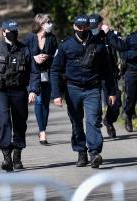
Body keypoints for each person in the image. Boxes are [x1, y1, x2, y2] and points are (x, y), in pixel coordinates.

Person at [50, 15, 116, 169]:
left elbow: (107, 70)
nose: (82, 30)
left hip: (93, 88)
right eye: (79, 27)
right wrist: (57, 94)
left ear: (88, 27)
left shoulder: (98, 45)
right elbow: (55, 70)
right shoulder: (66, 46)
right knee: (76, 123)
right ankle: (81, 151)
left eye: (85, 27)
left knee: (93, 120)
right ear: (74, 27)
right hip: (73, 89)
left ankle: (94, 153)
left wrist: (111, 91)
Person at [0, 20, 40, 172]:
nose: (14, 33)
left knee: (20, 123)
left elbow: (34, 72)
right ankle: (6, 156)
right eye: (11, 31)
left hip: (19, 91)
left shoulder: (24, 49)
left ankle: (17, 153)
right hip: (0, 91)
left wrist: (33, 90)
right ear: (3, 32)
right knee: (4, 121)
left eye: (16, 30)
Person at [23, 14, 58, 145]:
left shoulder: (52, 39)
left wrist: (47, 57)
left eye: (50, 21)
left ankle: (43, 128)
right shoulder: (29, 39)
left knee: (45, 104)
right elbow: (23, 56)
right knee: (38, 102)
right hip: (34, 76)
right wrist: (34, 58)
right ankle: (42, 131)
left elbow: (57, 56)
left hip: (47, 75)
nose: (50, 24)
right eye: (47, 22)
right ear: (41, 24)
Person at [89, 13, 122, 138]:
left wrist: (108, 34)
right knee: (95, 105)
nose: (94, 28)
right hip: (94, 76)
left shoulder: (110, 35)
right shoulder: (86, 36)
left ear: (101, 24)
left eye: (96, 26)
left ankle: (108, 120)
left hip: (109, 74)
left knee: (116, 101)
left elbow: (121, 47)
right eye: (92, 26)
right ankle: (95, 130)